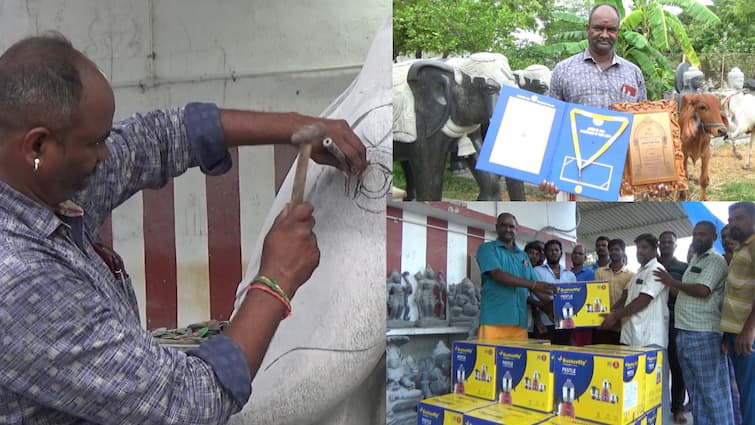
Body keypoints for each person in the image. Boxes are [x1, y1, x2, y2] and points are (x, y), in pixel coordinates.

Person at [0, 33, 367, 424]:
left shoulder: (39, 186)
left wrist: (298, 128)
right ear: (37, 147)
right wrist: (275, 281)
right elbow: (186, 404)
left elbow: (157, 137)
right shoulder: (20, 280)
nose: (106, 155)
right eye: (95, 142)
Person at [541, 2, 648, 200]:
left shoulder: (633, 73)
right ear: (588, 29)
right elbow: (552, 126)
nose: (605, 34)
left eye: (611, 29)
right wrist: (548, 172)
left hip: (619, 179)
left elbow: (643, 128)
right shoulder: (563, 70)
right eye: (599, 28)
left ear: (618, 32)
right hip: (573, 177)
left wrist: (655, 177)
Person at [654, 221, 735, 425]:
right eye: (695, 234)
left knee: (712, 393)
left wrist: (671, 282)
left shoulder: (715, 261)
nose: (698, 237)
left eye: (703, 234)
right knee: (696, 392)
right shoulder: (696, 260)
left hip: (704, 334)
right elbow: (685, 292)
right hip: (685, 332)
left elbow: (702, 290)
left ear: (713, 237)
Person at [601, 233, 671, 424]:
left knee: (656, 391)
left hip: (650, 340)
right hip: (632, 339)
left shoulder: (657, 270)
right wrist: (605, 313)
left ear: (654, 248)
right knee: (638, 391)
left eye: (644, 248)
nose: (640, 252)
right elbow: (625, 298)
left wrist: (615, 316)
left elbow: (643, 300)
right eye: (638, 248)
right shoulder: (638, 273)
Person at [476, 213, 556, 340]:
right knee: (490, 360)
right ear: (496, 227)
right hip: (494, 321)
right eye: (503, 225)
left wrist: (556, 305)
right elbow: (497, 275)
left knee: (518, 359)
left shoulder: (523, 256)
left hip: (520, 323)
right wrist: (533, 285)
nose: (508, 229)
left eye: (511, 226)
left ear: (516, 229)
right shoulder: (487, 249)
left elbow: (535, 285)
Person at [721, 202, 755, 424]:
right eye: (731, 219)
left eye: (739, 218)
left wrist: (749, 330)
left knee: (750, 394)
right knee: (744, 392)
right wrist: (727, 335)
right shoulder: (741, 249)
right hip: (734, 333)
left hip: (746, 334)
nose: (733, 223)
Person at [657, 230, 690, 423]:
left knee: (677, 368)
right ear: (659, 245)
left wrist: (668, 283)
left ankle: (677, 408)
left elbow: (684, 296)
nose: (667, 244)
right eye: (664, 242)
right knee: (657, 367)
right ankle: (656, 404)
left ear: (675, 246)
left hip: (674, 323)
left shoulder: (683, 268)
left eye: (670, 242)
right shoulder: (651, 264)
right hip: (653, 323)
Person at [534, 239, 577, 344]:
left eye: (556, 250)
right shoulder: (536, 271)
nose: (553, 252)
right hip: (546, 323)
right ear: (545, 253)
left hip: (566, 323)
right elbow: (534, 295)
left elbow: (574, 297)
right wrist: (548, 312)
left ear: (561, 253)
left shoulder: (570, 275)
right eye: (550, 250)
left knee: (564, 354)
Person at [593, 238, 634, 344]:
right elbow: (596, 296)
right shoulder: (599, 272)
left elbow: (626, 299)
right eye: (611, 250)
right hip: (602, 323)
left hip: (621, 324)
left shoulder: (631, 275)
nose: (613, 252)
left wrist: (614, 316)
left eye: (617, 249)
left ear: (623, 252)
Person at [570, 243, 594, 346]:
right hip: (569, 321)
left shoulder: (592, 274)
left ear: (585, 258)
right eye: (574, 253)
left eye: (580, 253)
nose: (576, 255)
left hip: (585, 322)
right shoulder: (565, 273)